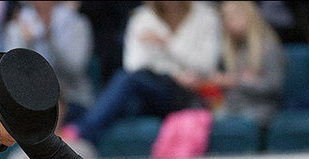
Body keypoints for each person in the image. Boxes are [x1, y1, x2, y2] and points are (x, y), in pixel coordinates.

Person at [62, 1, 221, 148]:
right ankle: (81, 141)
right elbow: (133, 64)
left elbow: (205, 66)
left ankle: (80, 133)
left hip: (186, 93)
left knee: (125, 88)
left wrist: (167, 45)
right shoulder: (142, 18)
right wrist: (174, 72)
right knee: (129, 98)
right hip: (150, 89)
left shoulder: (205, 16)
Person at [4, 0, 95, 124]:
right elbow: (12, 73)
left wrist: (50, 37)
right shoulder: (18, 24)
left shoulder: (76, 22)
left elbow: (75, 69)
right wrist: (26, 43)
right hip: (29, 101)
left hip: (72, 99)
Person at [204, 1, 286, 128]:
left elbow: (274, 87)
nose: (228, 20)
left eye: (234, 14)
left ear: (249, 15)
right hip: (231, 109)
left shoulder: (268, 47)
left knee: (237, 123)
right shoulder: (227, 51)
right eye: (225, 17)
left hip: (260, 110)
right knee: (205, 119)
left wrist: (237, 81)